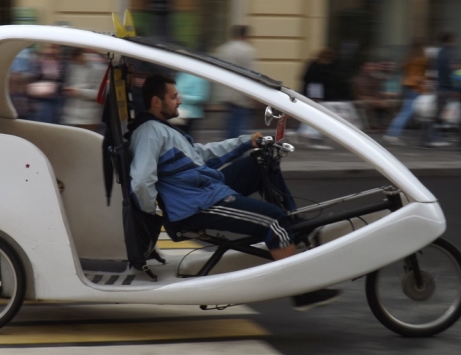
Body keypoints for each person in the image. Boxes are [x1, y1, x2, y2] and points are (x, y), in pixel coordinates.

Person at [128, 74, 341, 311]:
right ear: (156, 102)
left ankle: (295, 227)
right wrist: (154, 215)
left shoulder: (162, 130)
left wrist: (246, 141)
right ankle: (302, 292)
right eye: (174, 96)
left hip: (204, 190)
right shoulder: (149, 132)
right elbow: (140, 182)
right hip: (197, 204)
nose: (179, 101)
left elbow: (202, 154)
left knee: (259, 162)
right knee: (272, 220)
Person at [213, 25, 256, 137]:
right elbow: (251, 73)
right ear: (245, 35)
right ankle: (237, 148)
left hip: (226, 91)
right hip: (241, 92)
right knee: (240, 123)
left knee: (230, 122)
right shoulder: (247, 50)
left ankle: (227, 145)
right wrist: (254, 95)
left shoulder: (223, 49)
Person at [383, 40, 428, 146]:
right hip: (415, 87)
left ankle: (392, 133)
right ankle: (392, 134)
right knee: (407, 112)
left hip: (407, 86)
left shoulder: (409, 58)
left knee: (405, 111)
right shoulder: (420, 60)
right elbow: (419, 75)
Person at [422, 32, 456, 148]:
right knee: (438, 114)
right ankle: (432, 138)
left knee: (438, 113)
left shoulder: (439, 52)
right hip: (445, 87)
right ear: (450, 40)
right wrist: (452, 85)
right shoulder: (449, 53)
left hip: (440, 85)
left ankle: (433, 137)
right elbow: (449, 71)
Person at [61, 48, 105, 131]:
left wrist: (79, 92)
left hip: (89, 118)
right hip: (71, 116)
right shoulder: (73, 66)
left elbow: (100, 94)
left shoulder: (100, 68)